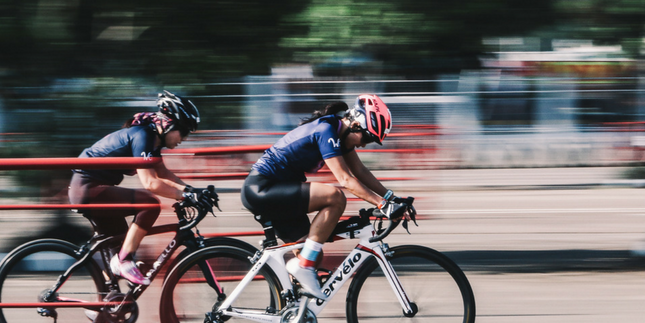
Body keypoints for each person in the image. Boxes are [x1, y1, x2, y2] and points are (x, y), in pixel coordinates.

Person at [241, 94, 411, 301]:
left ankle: (292, 312)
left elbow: (360, 171)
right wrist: (382, 204)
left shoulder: (341, 135)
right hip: (263, 188)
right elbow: (345, 180)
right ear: (355, 124)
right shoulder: (326, 130)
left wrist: (392, 199)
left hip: (279, 190)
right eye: (367, 138)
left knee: (313, 254)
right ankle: (302, 267)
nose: (365, 145)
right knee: (335, 197)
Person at [69, 91, 204, 286]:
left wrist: (193, 191)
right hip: (87, 189)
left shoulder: (152, 141)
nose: (184, 138)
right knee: (148, 204)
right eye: (183, 132)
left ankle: (105, 302)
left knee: (121, 245)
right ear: (168, 124)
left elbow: (164, 175)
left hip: (93, 189)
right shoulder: (142, 135)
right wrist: (185, 196)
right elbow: (150, 183)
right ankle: (124, 261)